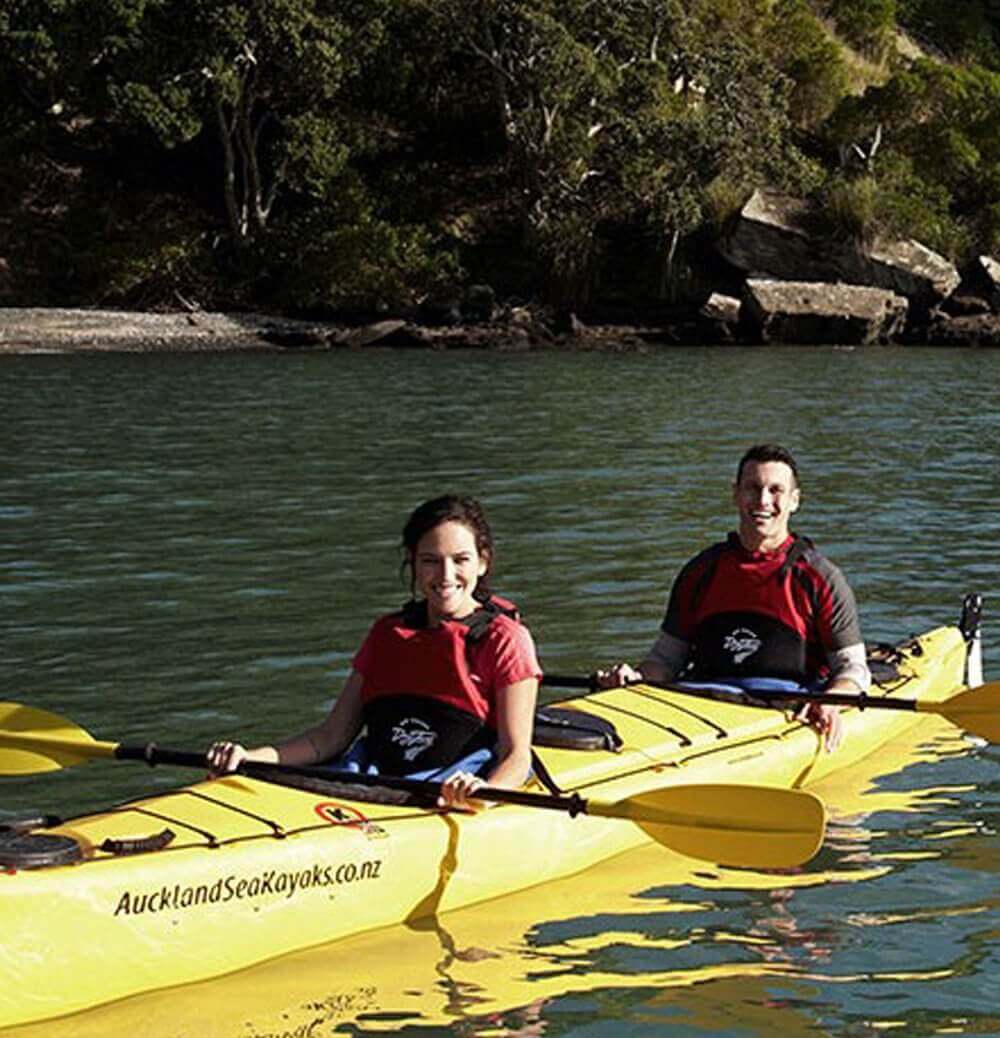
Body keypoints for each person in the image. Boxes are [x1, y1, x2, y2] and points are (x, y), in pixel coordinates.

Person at [208, 495, 541, 809]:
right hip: (373, 776)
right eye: (430, 561)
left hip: (450, 784)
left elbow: (516, 756)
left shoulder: (505, 640)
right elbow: (330, 738)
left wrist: (485, 793)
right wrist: (250, 757)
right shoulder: (387, 633)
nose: (445, 575)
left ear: (483, 563)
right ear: (412, 562)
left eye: (461, 560)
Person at [598, 444, 869, 751]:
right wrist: (634, 678)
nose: (763, 501)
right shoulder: (701, 571)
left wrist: (832, 701)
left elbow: (854, 669)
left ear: (794, 501)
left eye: (776, 490)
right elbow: (665, 660)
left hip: (781, 710)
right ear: (736, 495)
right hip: (696, 704)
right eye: (753, 488)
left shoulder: (821, 578)